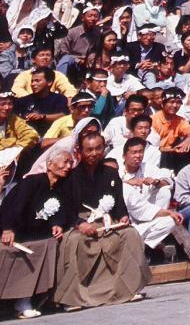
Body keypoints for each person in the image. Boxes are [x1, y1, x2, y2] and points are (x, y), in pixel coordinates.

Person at [0, 141, 75, 321]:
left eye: (70, 163)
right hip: (7, 231)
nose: (68, 166)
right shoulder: (31, 182)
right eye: (65, 162)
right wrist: (8, 228)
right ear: (50, 165)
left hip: (35, 233)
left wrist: (57, 223)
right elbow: (15, 206)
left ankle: (24, 301)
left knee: (48, 245)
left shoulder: (63, 186)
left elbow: (61, 209)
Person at [54, 130, 149, 308]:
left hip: (106, 221)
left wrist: (122, 217)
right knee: (76, 241)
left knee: (130, 234)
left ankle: (127, 289)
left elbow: (119, 202)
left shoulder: (110, 174)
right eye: (89, 149)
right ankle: (73, 297)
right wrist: (79, 223)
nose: (94, 153)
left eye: (98, 148)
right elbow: (65, 207)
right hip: (78, 222)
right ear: (79, 151)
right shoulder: (70, 176)